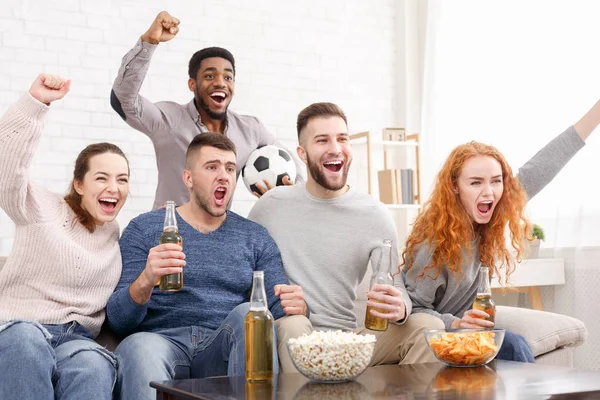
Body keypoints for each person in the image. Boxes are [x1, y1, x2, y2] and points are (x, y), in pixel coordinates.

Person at [107, 133, 307, 400]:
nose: (223, 175)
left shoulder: (255, 237)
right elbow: (118, 320)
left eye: (230, 168)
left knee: (251, 315)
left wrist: (296, 305)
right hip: (160, 344)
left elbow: (275, 305)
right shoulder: (145, 229)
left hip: (222, 347)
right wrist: (146, 279)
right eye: (212, 167)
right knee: (137, 347)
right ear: (188, 179)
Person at [248, 102, 445, 373]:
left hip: (351, 340)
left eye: (342, 139)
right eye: (322, 140)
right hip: (295, 331)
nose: (335, 148)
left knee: (429, 326)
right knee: (292, 324)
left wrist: (400, 307)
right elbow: (245, 271)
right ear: (302, 154)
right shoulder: (269, 207)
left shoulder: (375, 214)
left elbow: (395, 284)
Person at [401, 98, 600, 362]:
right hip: (440, 336)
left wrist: (595, 114)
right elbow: (413, 310)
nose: (489, 191)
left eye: (496, 181)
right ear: (455, 187)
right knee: (515, 346)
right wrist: (455, 324)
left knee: (514, 346)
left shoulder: (488, 217)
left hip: (470, 329)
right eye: (476, 182)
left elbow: (540, 168)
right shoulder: (435, 241)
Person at [0, 74, 130, 399]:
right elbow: (7, 167)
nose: (114, 188)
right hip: (22, 326)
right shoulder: (40, 207)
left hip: (77, 341)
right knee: (26, 342)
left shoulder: (116, 236)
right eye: (102, 178)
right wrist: (36, 103)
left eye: (122, 179)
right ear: (79, 185)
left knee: (96, 366)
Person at [110, 10, 305, 209]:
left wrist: (290, 193)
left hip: (217, 235)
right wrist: (149, 42)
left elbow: (289, 161)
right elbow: (122, 100)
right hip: (168, 231)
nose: (220, 83)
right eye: (210, 76)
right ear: (192, 84)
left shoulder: (250, 129)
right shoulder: (169, 120)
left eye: (228, 77)